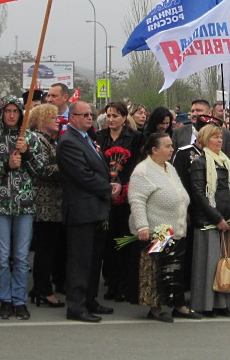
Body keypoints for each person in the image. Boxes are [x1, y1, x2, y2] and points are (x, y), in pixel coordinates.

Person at [0, 96, 46, 320]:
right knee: (1, 255)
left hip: (24, 205)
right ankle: (5, 299)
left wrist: (26, 153)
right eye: (7, 111)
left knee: (21, 256)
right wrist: (5, 166)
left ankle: (19, 299)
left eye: (15, 111)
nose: (11, 115)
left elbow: (41, 170)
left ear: (21, 114)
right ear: (1, 113)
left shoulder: (31, 138)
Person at [57, 101, 118, 323]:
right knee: (80, 261)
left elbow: (99, 167)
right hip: (82, 209)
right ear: (72, 118)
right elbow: (81, 175)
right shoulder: (69, 142)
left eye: (91, 114)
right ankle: (76, 305)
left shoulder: (87, 138)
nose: (89, 118)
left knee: (94, 261)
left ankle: (90, 299)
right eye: (84, 115)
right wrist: (107, 188)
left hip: (96, 208)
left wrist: (113, 182)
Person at [128, 132, 199, 323]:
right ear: (154, 150)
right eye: (167, 146)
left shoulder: (169, 167)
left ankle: (179, 305)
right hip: (156, 231)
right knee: (156, 268)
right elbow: (137, 200)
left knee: (175, 268)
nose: (171, 149)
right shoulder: (143, 171)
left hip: (175, 229)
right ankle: (156, 308)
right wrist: (142, 225)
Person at [96, 101, 144, 303]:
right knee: (109, 242)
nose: (111, 119)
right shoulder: (100, 137)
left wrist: (124, 186)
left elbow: (138, 165)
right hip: (105, 193)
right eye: (108, 116)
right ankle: (111, 283)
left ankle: (125, 285)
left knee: (126, 240)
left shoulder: (135, 137)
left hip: (126, 194)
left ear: (125, 118)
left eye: (115, 116)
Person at [189, 124, 230, 317]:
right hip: (208, 221)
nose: (219, 140)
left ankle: (222, 303)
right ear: (204, 140)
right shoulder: (199, 162)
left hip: (227, 219)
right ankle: (206, 304)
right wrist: (217, 218)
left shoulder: (225, 161)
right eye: (215, 137)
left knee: (224, 262)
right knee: (208, 264)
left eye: (221, 137)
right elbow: (199, 194)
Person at [25, 104, 65, 308]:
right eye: (52, 117)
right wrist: (67, 167)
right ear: (41, 120)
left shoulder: (50, 140)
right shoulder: (37, 140)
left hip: (54, 201)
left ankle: (41, 287)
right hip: (44, 202)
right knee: (44, 248)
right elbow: (40, 169)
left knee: (48, 247)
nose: (57, 120)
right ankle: (43, 289)